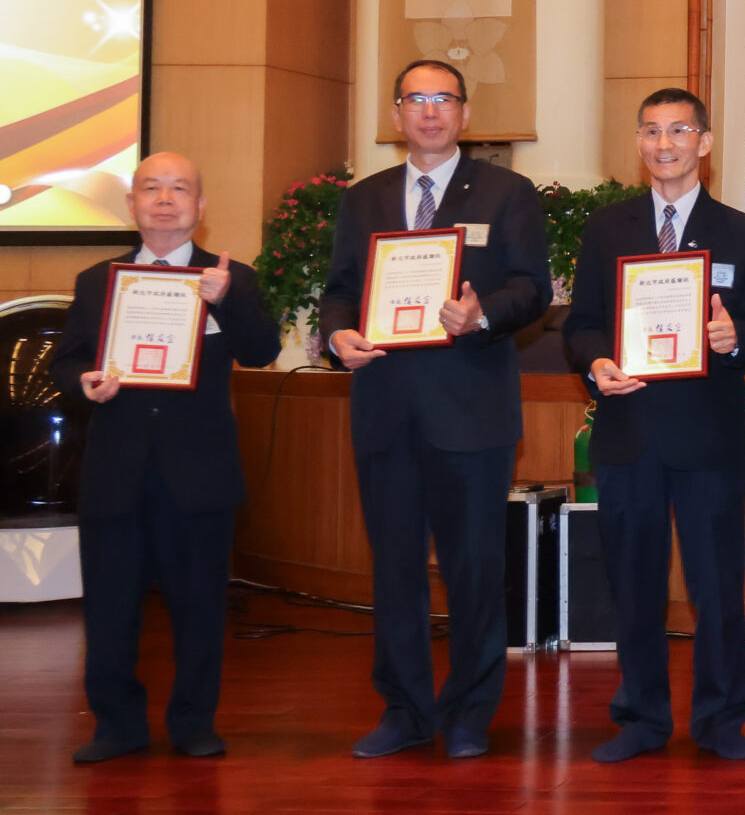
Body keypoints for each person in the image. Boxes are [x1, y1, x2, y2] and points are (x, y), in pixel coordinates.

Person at [318, 60, 550, 760]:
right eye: (415, 99)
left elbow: (532, 288)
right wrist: (337, 335)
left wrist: (483, 314)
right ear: (396, 114)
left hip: (471, 413)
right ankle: (405, 711)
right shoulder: (364, 200)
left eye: (442, 99)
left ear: (464, 114)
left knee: (473, 571)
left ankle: (470, 712)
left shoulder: (507, 193)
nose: (429, 111)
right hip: (385, 411)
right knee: (394, 571)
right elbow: (340, 290)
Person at [561, 88, 745, 763]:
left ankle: (721, 720)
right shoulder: (607, 229)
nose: (664, 144)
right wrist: (596, 360)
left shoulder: (743, 232)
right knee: (634, 585)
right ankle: (641, 718)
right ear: (639, 143)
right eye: (652, 131)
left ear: (704, 142)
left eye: (679, 130)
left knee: (718, 587)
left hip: (709, 438)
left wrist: (735, 337)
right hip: (628, 432)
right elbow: (580, 323)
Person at [52, 153, 281, 762]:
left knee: (200, 606)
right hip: (115, 470)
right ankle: (116, 726)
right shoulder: (97, 280)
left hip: (199, 472)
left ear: (200, 207)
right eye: (151, 188)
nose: (164, 199)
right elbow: (67, 361)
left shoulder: (232, 277)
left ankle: (193, 723)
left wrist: (226, 302)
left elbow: (262, 351)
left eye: (179, 189)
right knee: (109, 608)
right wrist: (84, 382)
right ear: (131, 204)